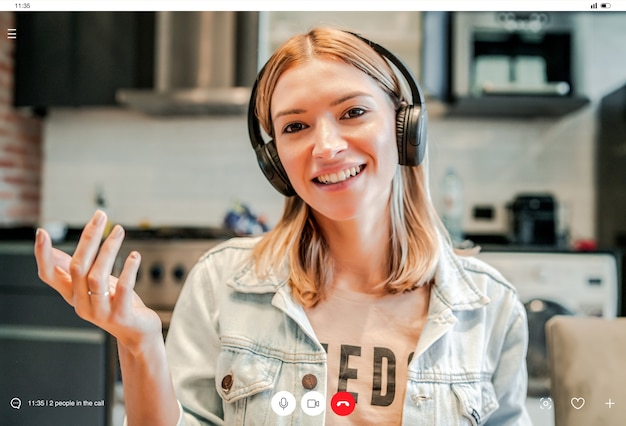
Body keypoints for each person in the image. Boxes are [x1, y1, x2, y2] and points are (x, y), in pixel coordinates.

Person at [34, 27, 531, 425]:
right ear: (275, 162)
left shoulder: (490, 307)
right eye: (295, 126)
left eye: (353, 112)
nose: (327, 146)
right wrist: (141, 344)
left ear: (405, 127)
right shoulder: (220, 283)